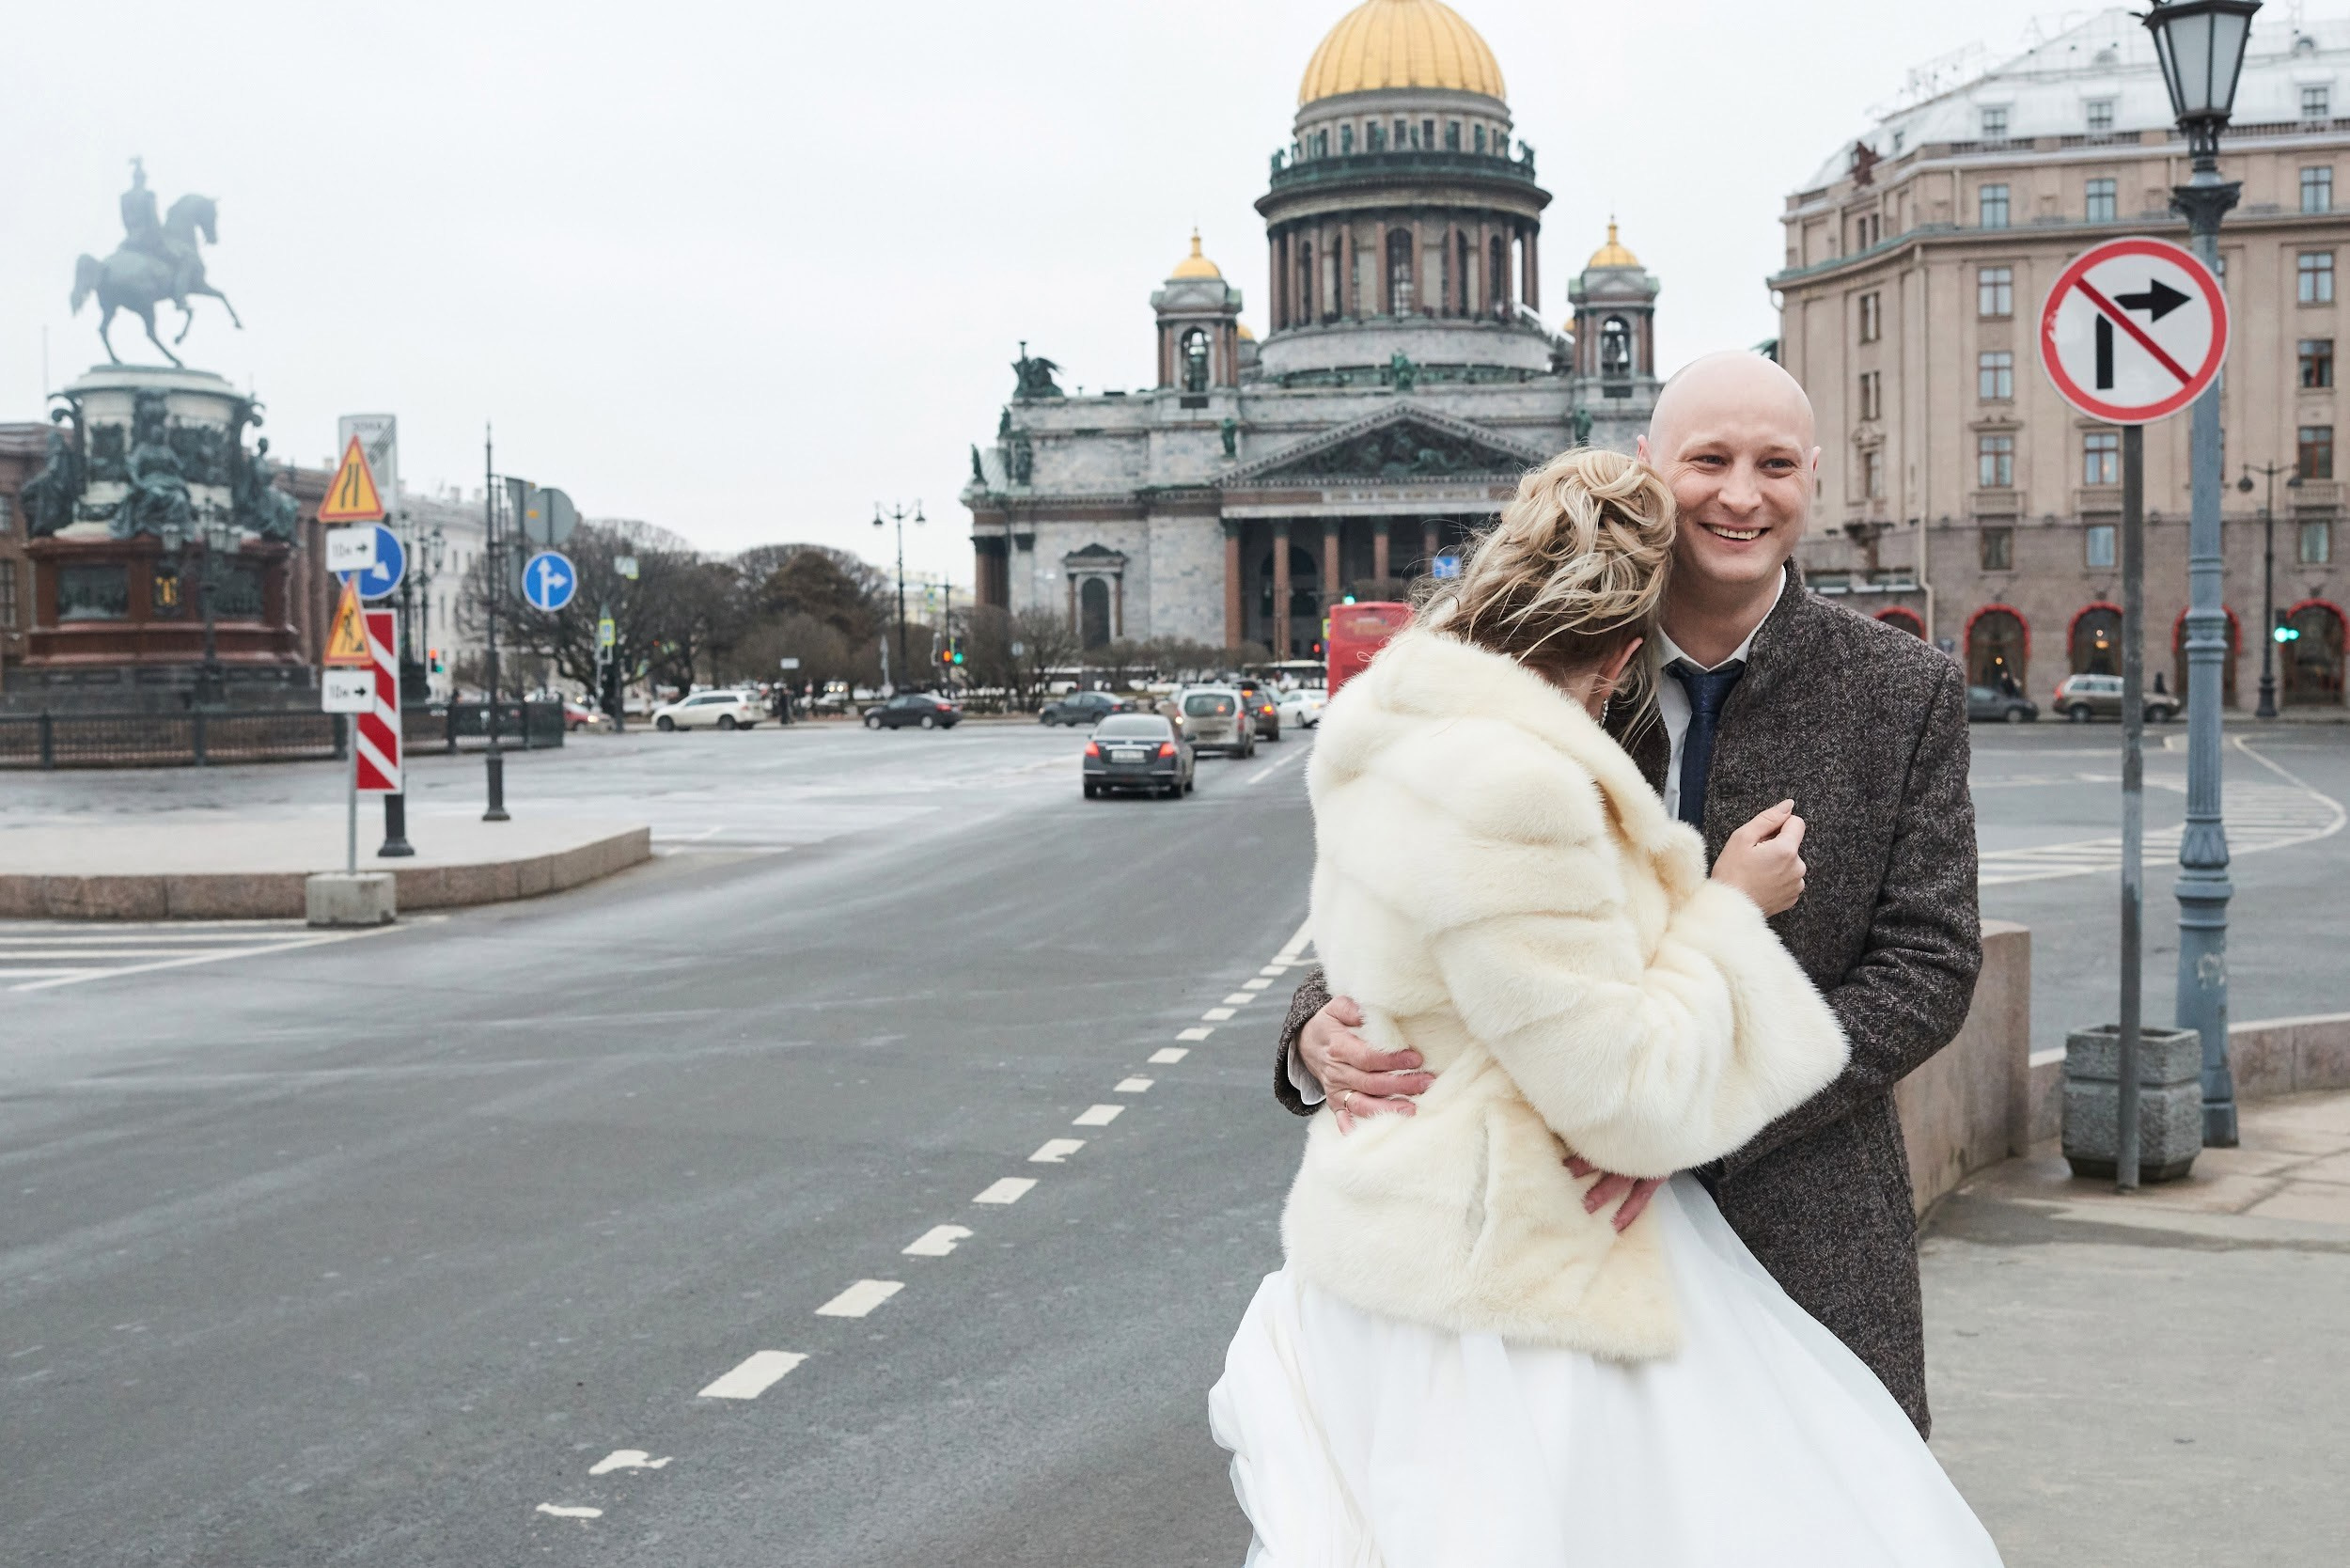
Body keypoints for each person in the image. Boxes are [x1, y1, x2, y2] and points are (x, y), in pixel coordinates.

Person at [1212, 446, 1999, 1564]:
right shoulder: (1529, 752)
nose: (1739, 494)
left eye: (1774, 463)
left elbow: (1926, 966)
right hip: (1545, 1264)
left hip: (1786, 1226)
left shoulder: (1889, 687)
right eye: (1708, 461)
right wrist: (1318, 1028)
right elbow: (1475, 978)